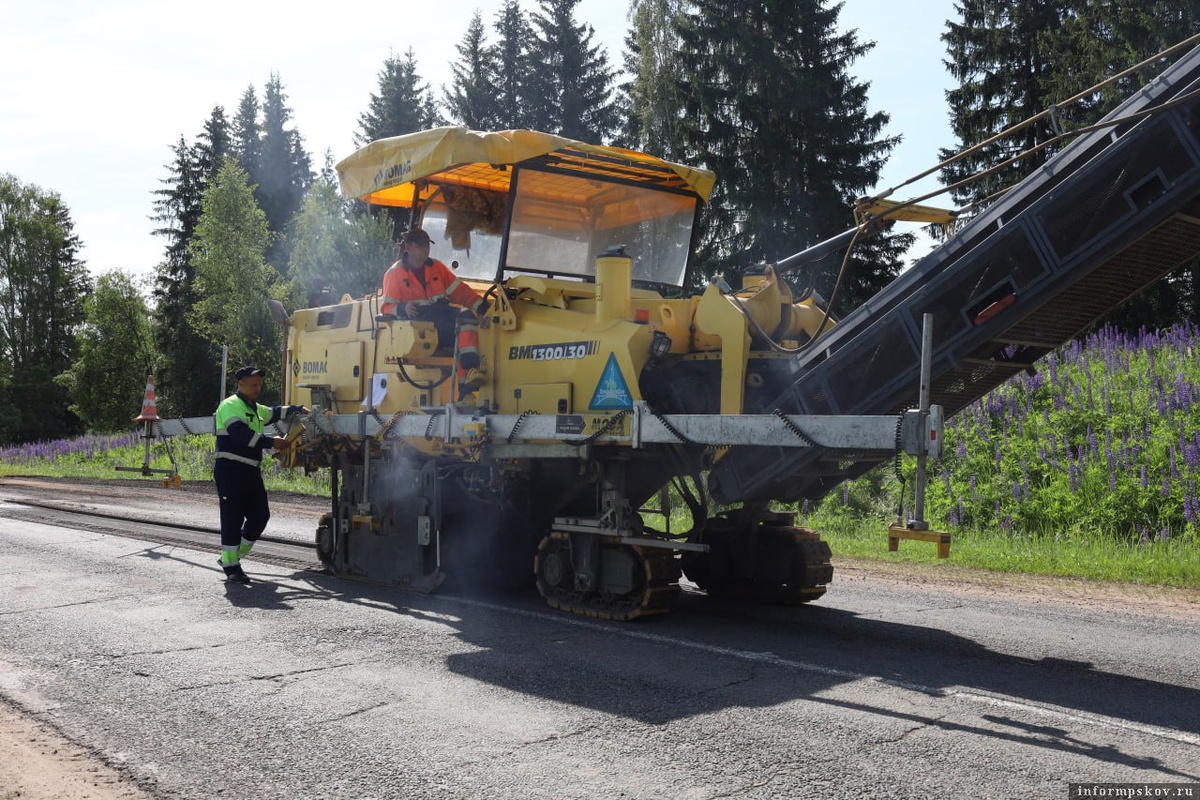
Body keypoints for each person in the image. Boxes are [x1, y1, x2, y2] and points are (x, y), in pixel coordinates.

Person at [213, 366, 307, 583]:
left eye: (260, 385)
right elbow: (239, 434)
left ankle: (234, 555)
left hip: (250, 470)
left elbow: (273, 412)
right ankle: (231, 566)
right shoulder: (229, 406)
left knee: (260, 516)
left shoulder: (255, 408)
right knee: (232, 518)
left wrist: (296, 409)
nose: (258, 388)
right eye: (254, 385)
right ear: (241, 384)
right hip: (230, 469)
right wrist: (270, 441)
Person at [379, 227, 489, 394]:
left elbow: (461, 292)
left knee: (466, 317)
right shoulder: (394, 274)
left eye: (427, 245)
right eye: (421, 246)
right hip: (421, 323)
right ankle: (468, 382)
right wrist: (403, 308)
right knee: (459, 332)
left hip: (442, 316)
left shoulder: (436, 267)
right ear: (408, 248)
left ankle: (470, 376)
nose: (426, 249)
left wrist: (484, 308)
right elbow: (387, 307)